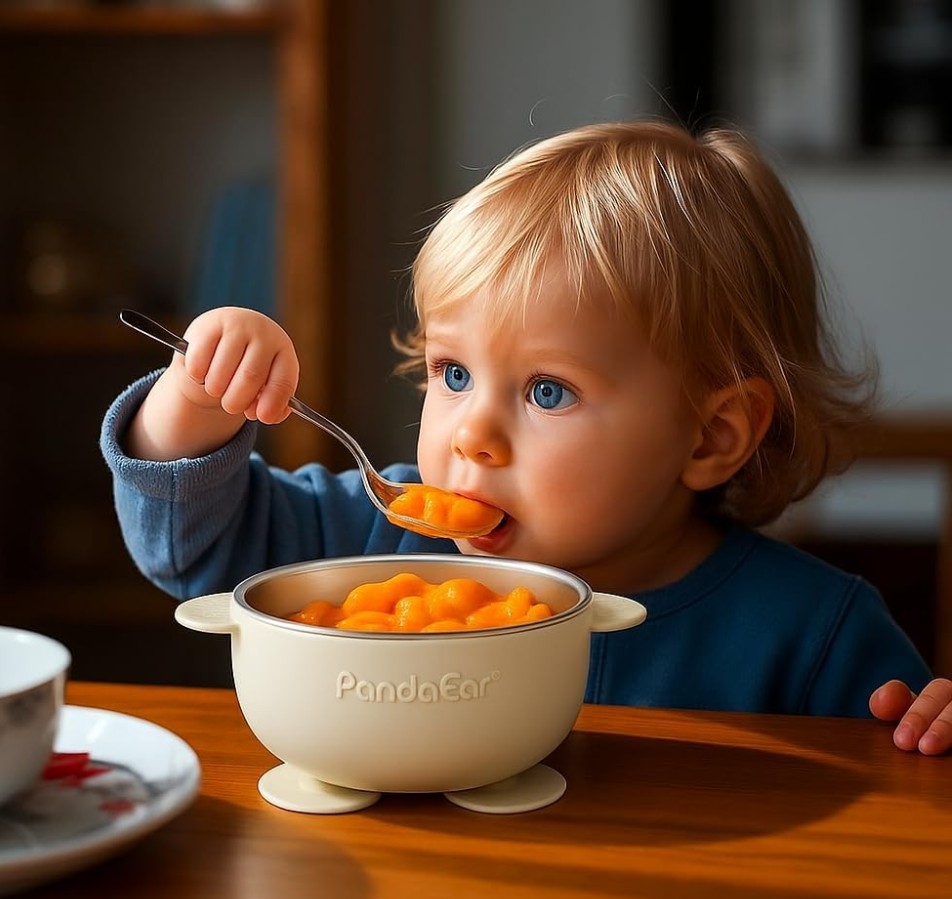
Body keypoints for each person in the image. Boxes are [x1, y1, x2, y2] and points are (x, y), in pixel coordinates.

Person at [101, 119, 952, 754]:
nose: (472, 434)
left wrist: (930, 732)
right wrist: (197, 401)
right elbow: (192, 549)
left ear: (711, 437)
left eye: (548, 391)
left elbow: (907, 790)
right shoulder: (370, 540)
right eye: (453, 373)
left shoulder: (814, 636)